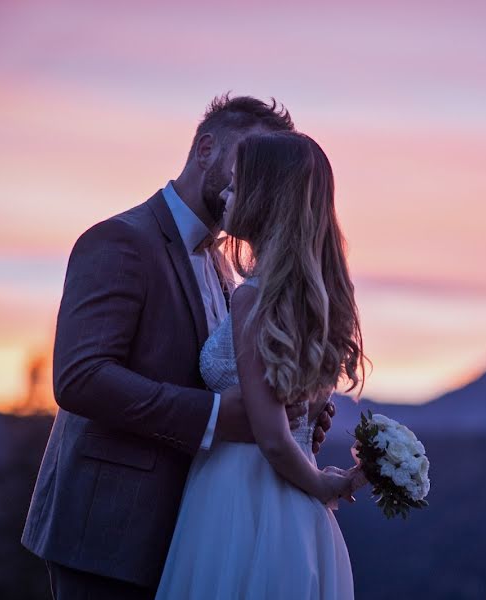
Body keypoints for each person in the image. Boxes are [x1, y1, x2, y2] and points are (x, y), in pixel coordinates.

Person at [22, 95, 339, 599]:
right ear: (206, 149)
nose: (250, 176)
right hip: (110, 533)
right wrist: (216, 416)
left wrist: (286, 412)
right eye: (247, 155)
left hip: (198, 530)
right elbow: (80, 377)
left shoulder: (230, 268)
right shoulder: (120, 240)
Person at [155, 130, 367, 599]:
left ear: (266, 198)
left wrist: (321, 485)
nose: (226, 195)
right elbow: (303, 416)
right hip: (295, 510)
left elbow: (272, 435)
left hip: (241, 496)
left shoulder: (253, 297)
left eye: (237, 184)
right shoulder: (321, 302)